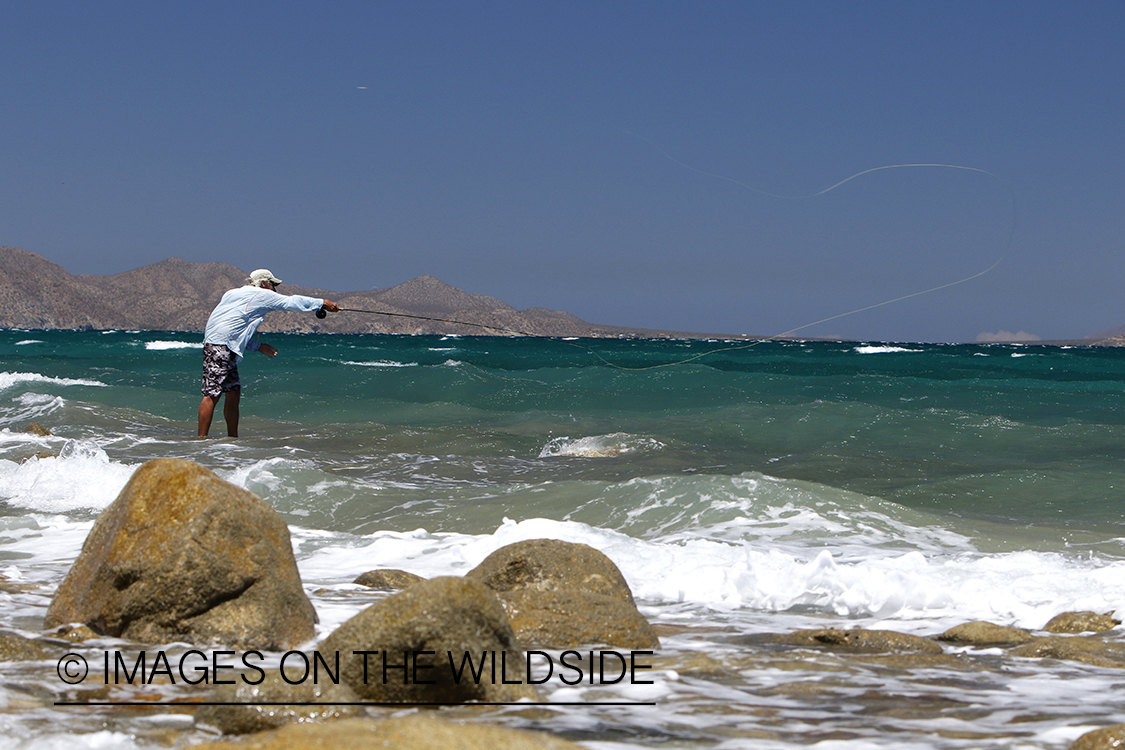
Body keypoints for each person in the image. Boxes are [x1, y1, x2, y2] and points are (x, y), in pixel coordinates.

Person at [197, 269, 340, 437]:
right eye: (273, 284)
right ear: (263, 283)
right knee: (212, 394)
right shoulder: (260, 294)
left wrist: (257, 346)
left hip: (219, 344)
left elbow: (233, 328)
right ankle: (200, 440)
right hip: (220, 346)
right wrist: (322, 303)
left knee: (233, 392)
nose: (275, 289)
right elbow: (291, 302)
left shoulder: (232, 294)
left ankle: (232, 439)